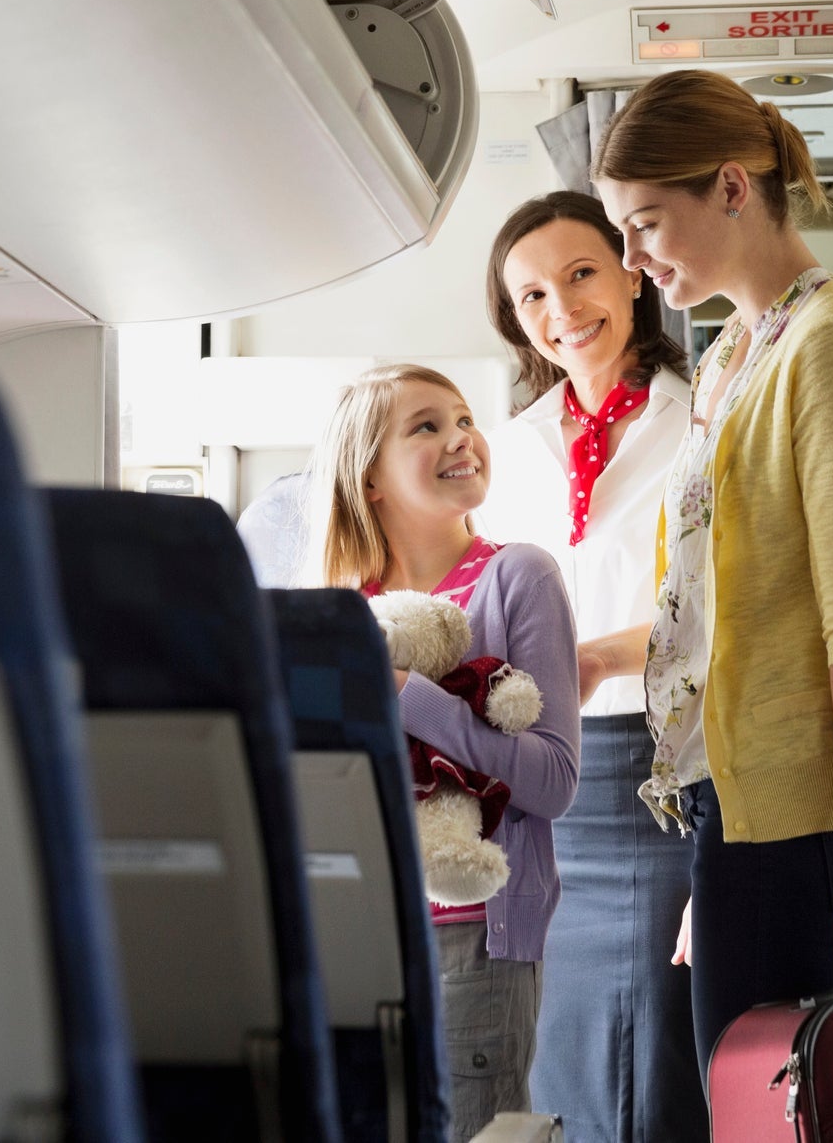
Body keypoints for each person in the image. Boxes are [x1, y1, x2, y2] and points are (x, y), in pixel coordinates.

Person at [590, 70, 833, 1081]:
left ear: (734, 188)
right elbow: (719, 612)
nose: (631, 259)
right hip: (754, 822)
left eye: (647, 222)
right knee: (747, 1108)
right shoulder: (732, 355)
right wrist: (723, 841)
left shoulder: (832, 345)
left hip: (831, 826)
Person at [303, 363, 580, 1141]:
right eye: (426, 426)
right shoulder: (334, 607)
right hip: (351, 932)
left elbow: (553, 782)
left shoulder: (517, 577)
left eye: (462, 419)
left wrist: (406, 694)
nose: (460, 437)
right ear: (370, 477)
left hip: (473, 937)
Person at [479, 192, 704, 1142]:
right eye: (530, 295)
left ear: (630, 274)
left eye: (578, 275)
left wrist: (600, 659)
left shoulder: (701, 422)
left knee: (654, 1059)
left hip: (662, 780)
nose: (559, 310)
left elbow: (735, 614)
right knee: (555, 1059)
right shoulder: (509, 446)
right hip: (540, 794)